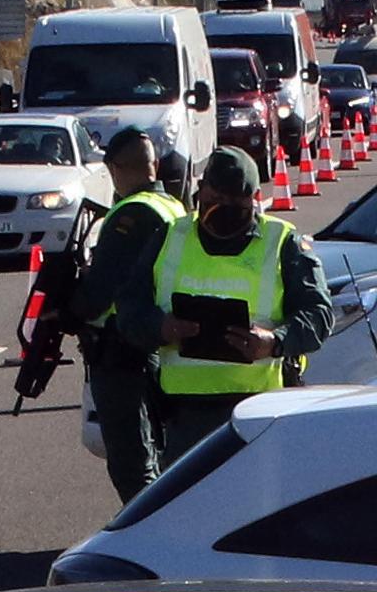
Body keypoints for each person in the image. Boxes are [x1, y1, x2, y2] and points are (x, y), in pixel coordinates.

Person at [117, 146, 332, 465]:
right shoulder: (170, 237)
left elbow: (319, 315)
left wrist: (273, 342)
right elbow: (129, 309)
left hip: (261, 412)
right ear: (201, 189)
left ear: (254, 198)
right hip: (185, 417)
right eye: (216, 199)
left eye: (236, 203)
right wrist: (162, 327)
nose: (224, 210)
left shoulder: (282, 241)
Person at [66, 127, 185, 503]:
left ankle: (149, 526)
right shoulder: (172, 206)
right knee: (158, 450)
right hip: (156, 342)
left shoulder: (130, 215)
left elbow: (101, 291)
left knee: (131, 460)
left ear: (116, 169)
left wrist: (67, 311)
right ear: (154, 165)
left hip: (120, 349)